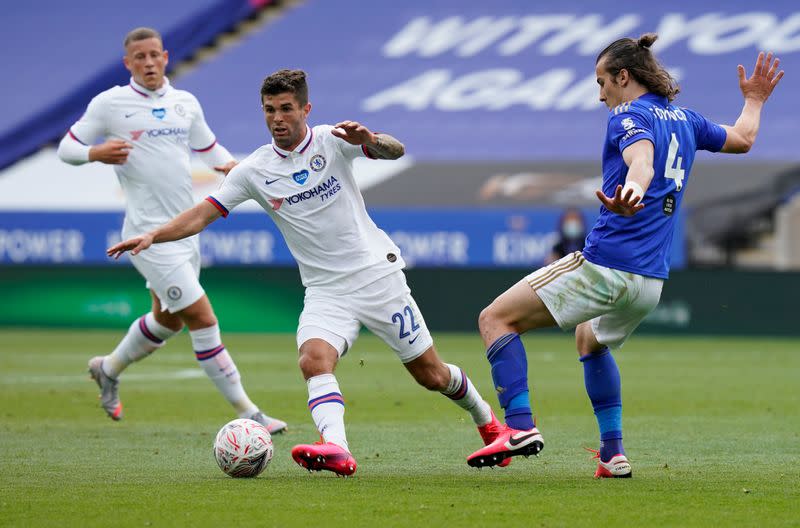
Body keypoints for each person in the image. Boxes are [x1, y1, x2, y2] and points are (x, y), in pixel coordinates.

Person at [107, 69, 503, 477]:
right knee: (314, 360)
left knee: (431, 374)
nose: (277, 118)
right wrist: (154, 235)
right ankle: (336, 447)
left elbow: (395, 151)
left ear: (305, 109)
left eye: (286, 109)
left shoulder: (334, 141)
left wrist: (369, 141)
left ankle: (489, 423)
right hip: (325, 290)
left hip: (376, 278)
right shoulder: (254, 170)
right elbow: (201, 215)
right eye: (269, 110)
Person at [466, 34, 783, 477]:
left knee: (494, 319)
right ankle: (613, 455)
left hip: (606, 266)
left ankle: (518, 427)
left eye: (602, 82)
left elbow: (642, 162)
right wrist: (755, 100)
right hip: (649, 284)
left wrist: (633, 190)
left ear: (623, 76)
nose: (600, 95)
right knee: (589, 341)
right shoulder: (686, 119)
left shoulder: (628, 116)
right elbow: (744, 138)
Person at [57, 27, 286, 434]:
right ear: (128, 63)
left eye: (153, 56)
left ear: (165, 57)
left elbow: (211, 150)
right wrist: (95, 152)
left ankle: (107, 369)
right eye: (138, 58)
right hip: (148, 236)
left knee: (168, 321)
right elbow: (67, 147)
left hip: (184, 232)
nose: (147, 63)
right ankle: (250, 414)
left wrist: (244, 170)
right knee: (201, 317)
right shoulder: (111, 104)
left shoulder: (185, 103)